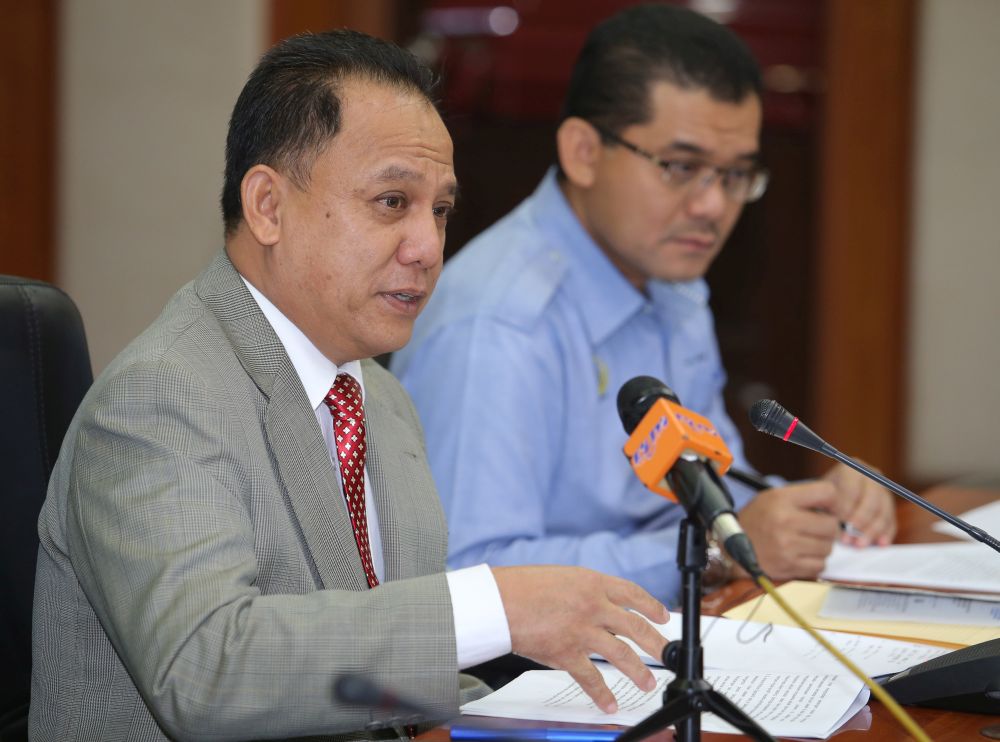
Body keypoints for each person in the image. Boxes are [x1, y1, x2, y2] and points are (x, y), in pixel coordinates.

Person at [29, 29, 670, 741]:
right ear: (268, 207)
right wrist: (492, 610)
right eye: (393, 202)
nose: (428, 247)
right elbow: (207, 668)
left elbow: (378, 671)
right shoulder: (160, 397)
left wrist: (566, 715)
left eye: (441, 210)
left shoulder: (378, 396)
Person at [391, 3, 895, 605]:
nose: (712, 206)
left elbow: (711, 483)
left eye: (736, 175)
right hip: (526, 686)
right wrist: (712, 550)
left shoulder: (673, 281)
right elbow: (468, 575)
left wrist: (815, 508)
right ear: (583, 152)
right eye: (681, 167)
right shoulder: (497, 321)